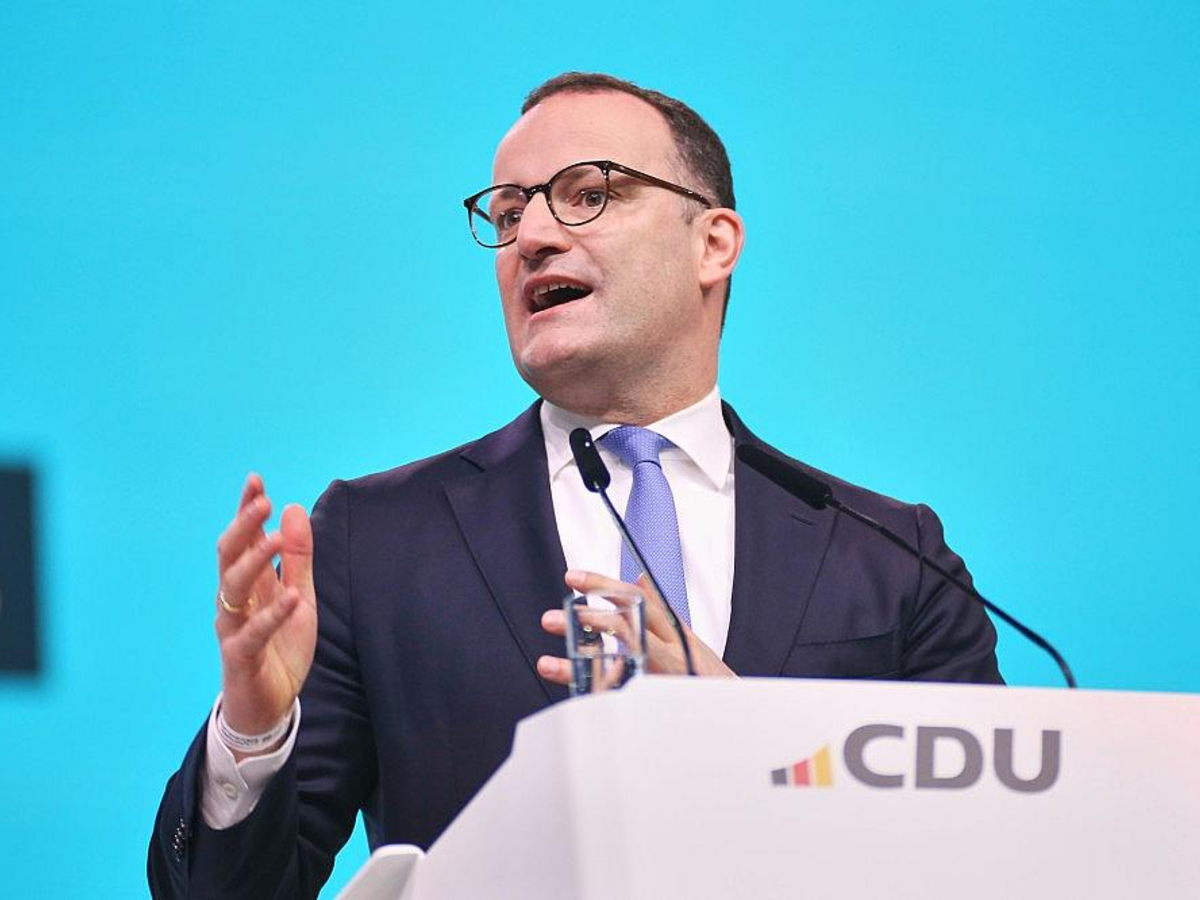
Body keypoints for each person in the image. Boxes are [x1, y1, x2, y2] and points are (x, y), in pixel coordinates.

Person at [149, 72, 1002, 898]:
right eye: (508, 213)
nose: (532, 237)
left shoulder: (890, 557)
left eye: (589, 194)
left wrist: (748, 741)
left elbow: (986, 863)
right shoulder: (375, 539)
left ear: (713, 243)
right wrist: (254, 731)